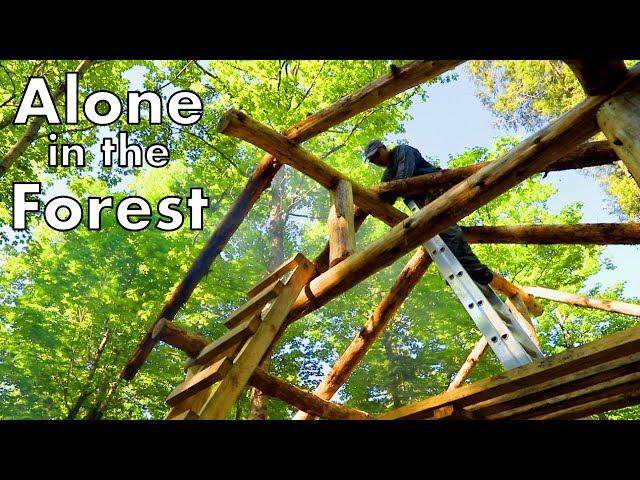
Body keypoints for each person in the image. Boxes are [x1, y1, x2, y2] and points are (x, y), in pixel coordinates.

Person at [364, 139, 495, 286]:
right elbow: (386, 196)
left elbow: (402, 180)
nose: (376, 160)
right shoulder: (388, 173)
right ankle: (462, 268)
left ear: (384, 148)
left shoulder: (402, 150)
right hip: (424, 204)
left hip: (435, 192)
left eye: (376, 155)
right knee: (444, 234)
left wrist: (387, 191)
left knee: (449, 231)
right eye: (372, 160)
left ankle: (476, 270)